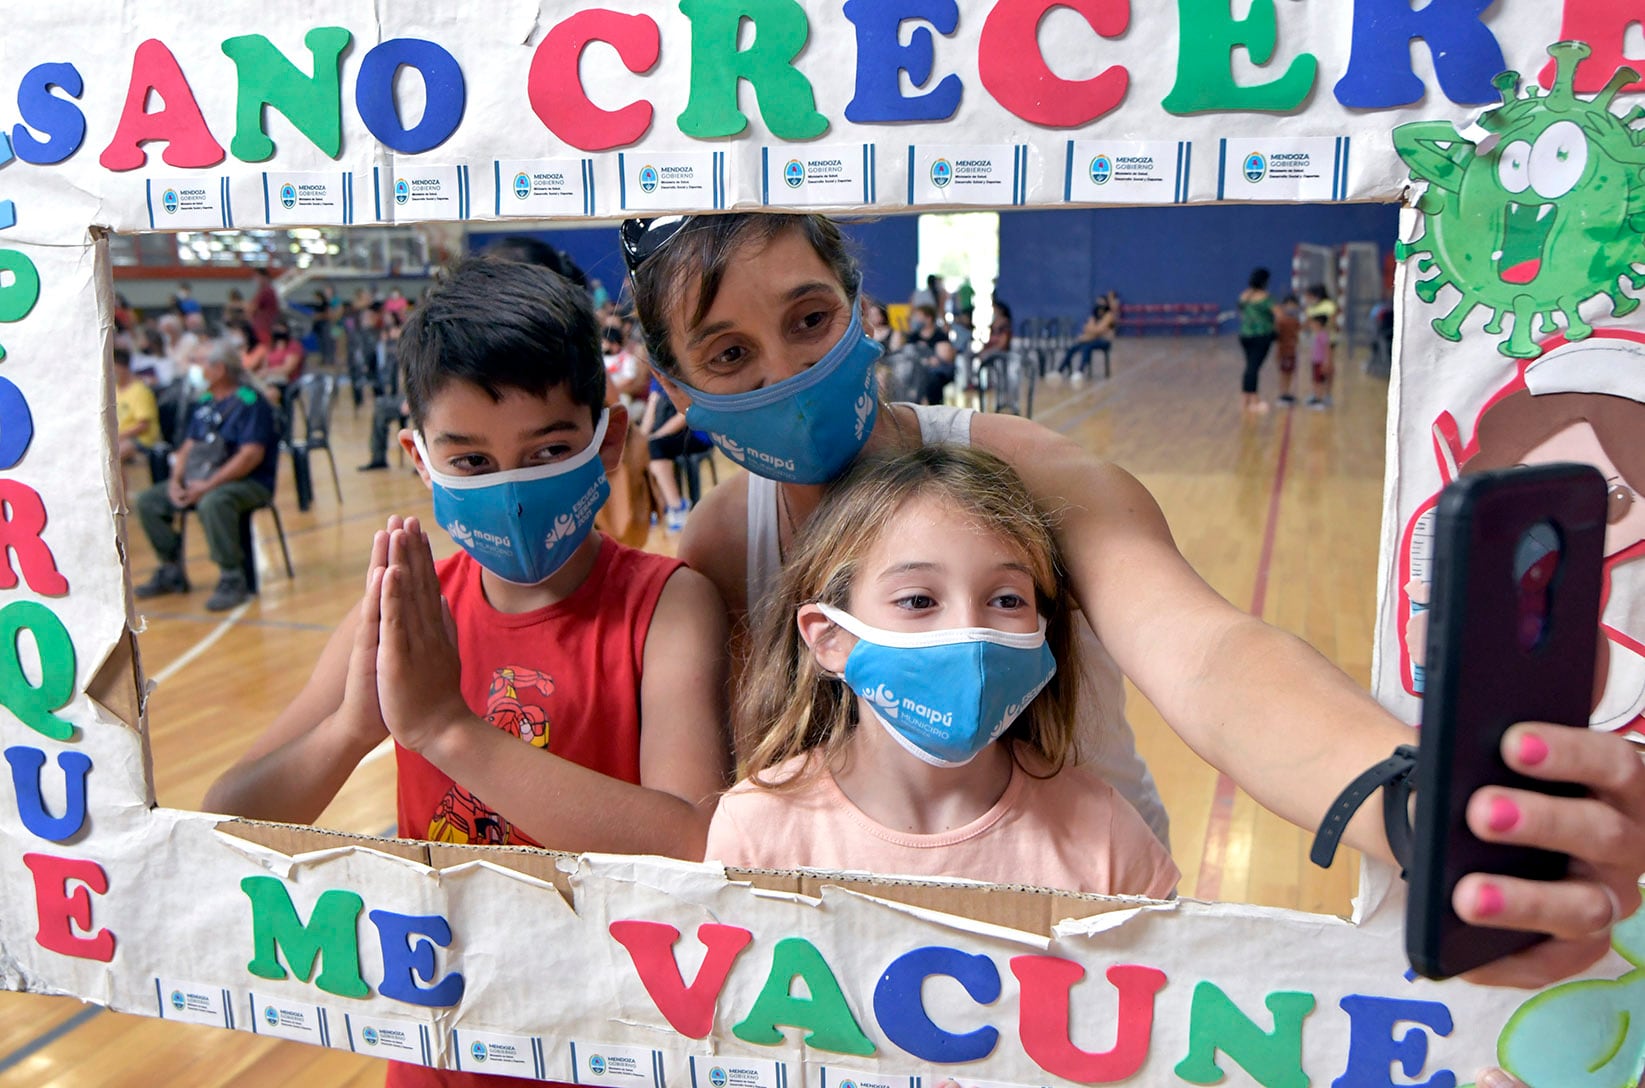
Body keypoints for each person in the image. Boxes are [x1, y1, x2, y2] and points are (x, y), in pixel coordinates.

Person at [624, 212, 1645, 988]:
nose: (786, 368)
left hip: (1084, 897)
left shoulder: (1025, 469)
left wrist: (1415, 805)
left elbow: (1202, 653)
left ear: (860, 309)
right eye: (728, 354)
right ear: (677, 391)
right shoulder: (722, 538)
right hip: (857, 951)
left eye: (809, 318)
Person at [204, 255, 728, 895]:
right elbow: (225, 819)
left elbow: (690, 844)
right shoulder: (406, 616)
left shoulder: (668, 606)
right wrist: (351, 728)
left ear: (609, 440)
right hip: (445, 970)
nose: (510, 489)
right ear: (419, 461)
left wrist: (446, 729)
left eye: (549, 451)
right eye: (472, 460)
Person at [709, 445, 1179, 897]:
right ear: (830, 638)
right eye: (918, 600)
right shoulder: (755, 834)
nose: (968, 631)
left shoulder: (1106, 839)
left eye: (1006, 599)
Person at [133, 339, 279, 611]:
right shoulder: (205, 402)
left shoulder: (250, 402)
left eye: (199, 362)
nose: (194, 368)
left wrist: (208, 486)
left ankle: (232, 577)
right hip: (199, 479)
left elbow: (250, 456)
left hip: (248, 482)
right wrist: (177, 481)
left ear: (220, 368)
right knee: (149, 500)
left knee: (214, 502)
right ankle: (170, 568)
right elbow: (187, 447)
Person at [639, 378, 712, 532]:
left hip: (696, 433)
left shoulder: (684, 374)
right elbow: (651, 410)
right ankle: (660, 505)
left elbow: (686, 415)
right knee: (642, 449)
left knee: (655, 446)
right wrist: (640, 440)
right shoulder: (657, 379)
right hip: (668, 433)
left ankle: (677, 506)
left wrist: (657, 436)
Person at [113, 346, 160, 464]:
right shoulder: (114, 391)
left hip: (140, 439)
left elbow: (143, 425)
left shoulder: (140, 390)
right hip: (119, 438)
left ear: (123, 367)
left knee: (112, 456)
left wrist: (118, 436)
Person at [1237, 268, 1275, 413]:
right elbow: (1279, 315)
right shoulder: (1265, 297)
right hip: (1261, 335)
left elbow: (1241, 314)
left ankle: (1245, 399)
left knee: (1250, 366)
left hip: (1245, 335)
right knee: (1253, 367)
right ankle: (1254, 400)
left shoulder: (1244, 296)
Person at [1061, 290, 1117, 380]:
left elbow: (1099, 330)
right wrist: (1092, 332)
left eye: (1102, 302)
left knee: (1087, 347)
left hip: (1104, 342)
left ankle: (1080, 371)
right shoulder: (1093, 316)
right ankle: (1060, 370)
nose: (1099, 305)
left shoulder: (1109, 315)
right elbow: (1086, 328)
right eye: (1098, 302)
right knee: (1073, 347)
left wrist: (1091, 332)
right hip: (1091, 339)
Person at [1273, 295, 1302, 407]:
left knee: (1289, 373)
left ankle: (1287, 393)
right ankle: (1283, 394)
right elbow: (1277, 335)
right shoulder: (1281, 321)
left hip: (1292, 351)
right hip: (1284, 351)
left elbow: (1298, 332)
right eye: (1289, 304)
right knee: (1284, 373)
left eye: (1293, 304)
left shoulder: (1294, 320)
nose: (1291, 307)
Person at [1307, 312, 1334, 409]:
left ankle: (1320, 400)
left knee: (1320, 381)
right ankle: (1316, 397)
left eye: (1312, 323)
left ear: (1318, 324)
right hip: (1315, 361)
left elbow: (1327, 349)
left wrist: (1327, 362)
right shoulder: (1317, 334)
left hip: (1320, 362)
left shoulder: (1323, 335)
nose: (1311, 325)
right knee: (1315, 380)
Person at [250, 266, 281, 348]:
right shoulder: (264, 291)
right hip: (262, 326)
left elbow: (252, 308)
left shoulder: (266, 291)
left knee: (266, 350)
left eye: (257, 277)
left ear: (264, 277)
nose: (255, 280)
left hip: (264, 326)